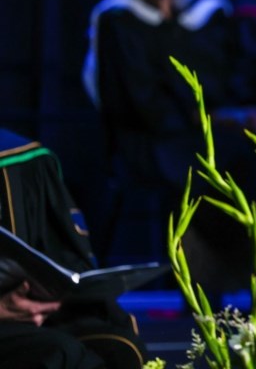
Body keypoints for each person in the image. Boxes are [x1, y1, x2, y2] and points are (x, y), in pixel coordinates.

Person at [82, 0, 256, 289]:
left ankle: (247, 280)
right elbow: (134, 100)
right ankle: (200, 285)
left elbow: (232, 80)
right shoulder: (119, 21)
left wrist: (223, 116)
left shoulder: (210, 16)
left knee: (252, 159)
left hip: (208, 133)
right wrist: (202, 117)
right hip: (149, 140)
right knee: (198, 168)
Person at [0, 128, 147, 368]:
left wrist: (53, 294)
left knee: (117, 345)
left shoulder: (23, 158)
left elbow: (61, 257)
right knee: (58, 353)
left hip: (33, 320)